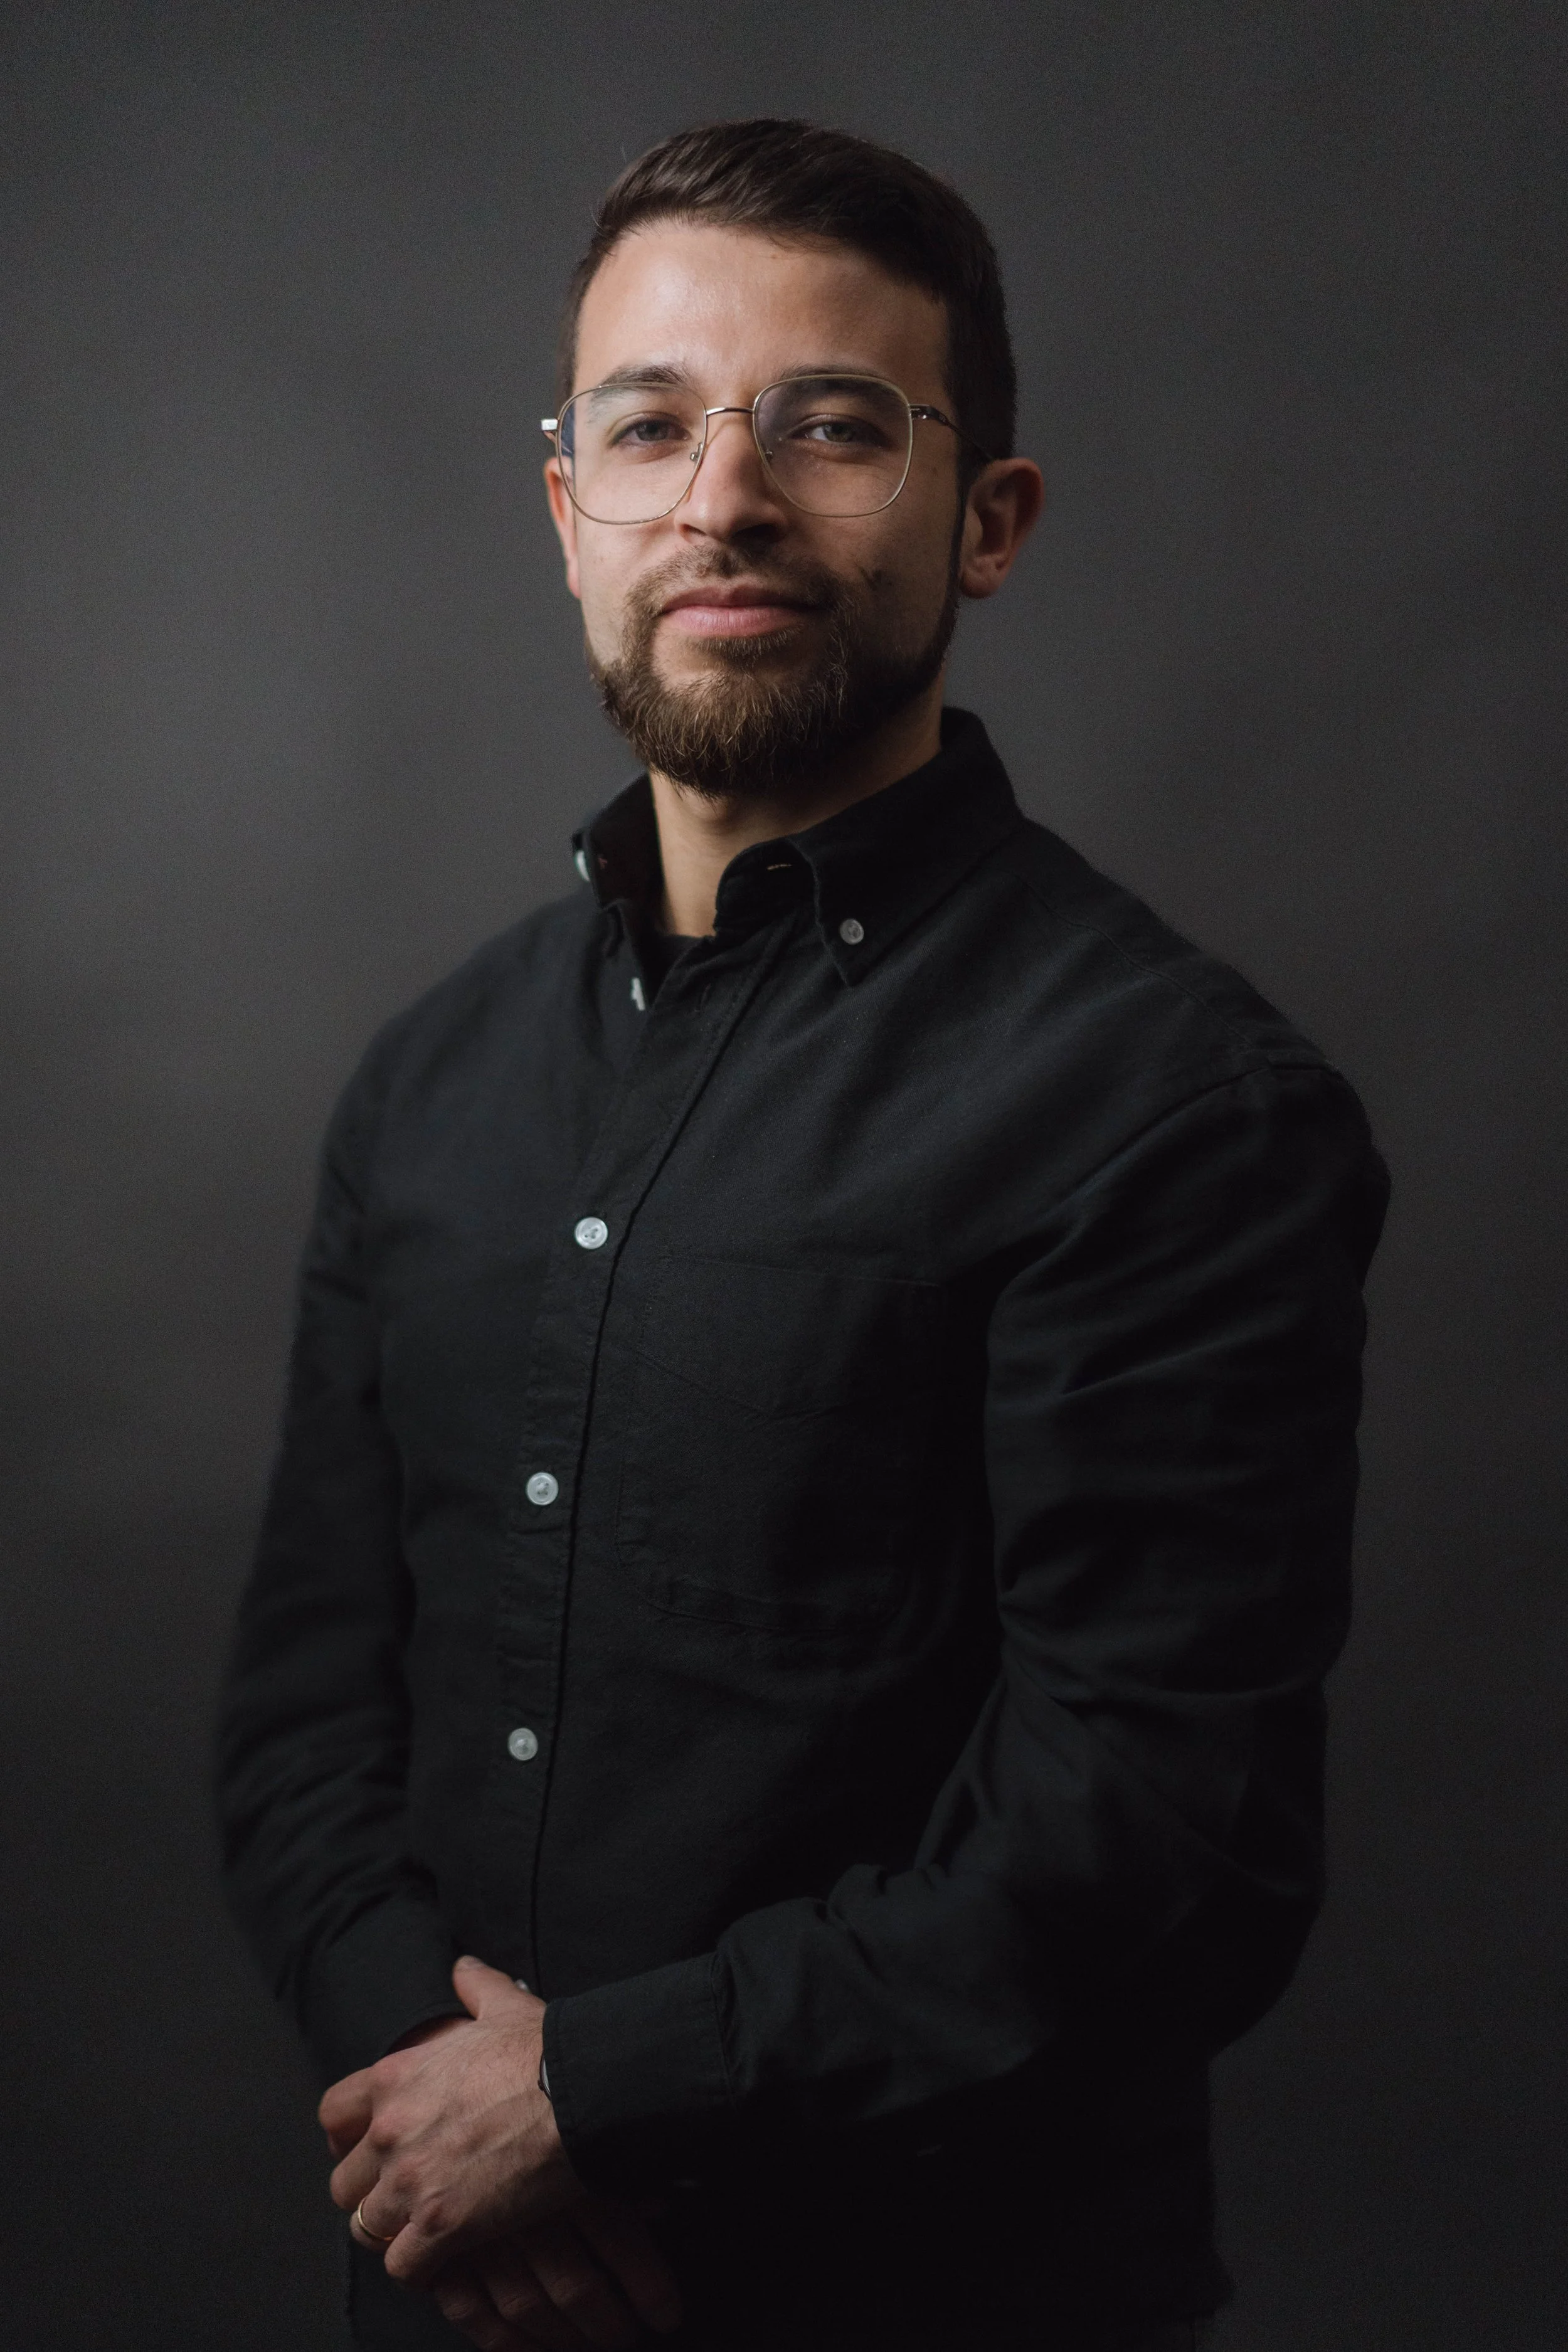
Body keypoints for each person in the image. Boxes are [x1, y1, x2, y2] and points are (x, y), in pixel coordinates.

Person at [217, 118, 1389, 2352]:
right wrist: (431, 2102)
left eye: (833, 425)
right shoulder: (425, 1082)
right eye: (647, 425)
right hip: (448, 2295)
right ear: (568, 511)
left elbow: (1154, 1849)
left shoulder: (1166, 1103)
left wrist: (591, 2097)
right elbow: (298, 1709)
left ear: (992, 518)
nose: (724, 498)